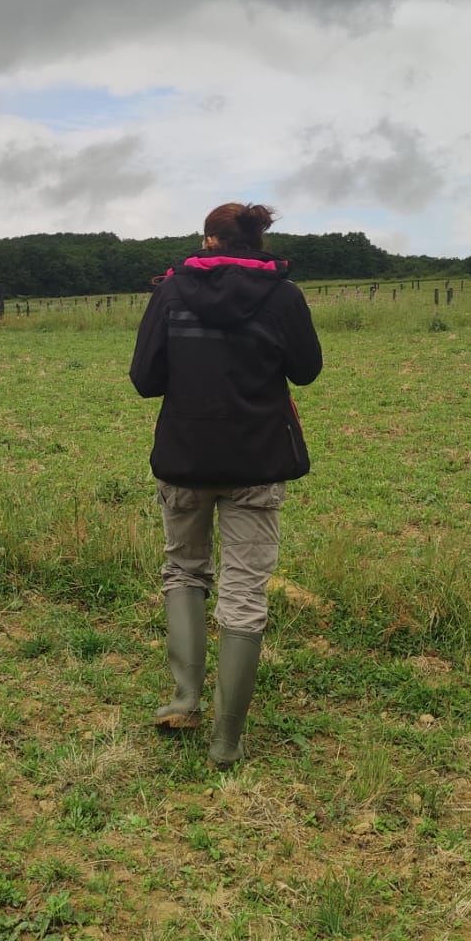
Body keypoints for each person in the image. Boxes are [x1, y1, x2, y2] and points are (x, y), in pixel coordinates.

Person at [128, 202, 323, 766]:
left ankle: (184, 697)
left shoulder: (170, 292)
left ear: (209, 240)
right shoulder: (283, 295)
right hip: (258, 462)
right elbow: (306, 371)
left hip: (185, 459)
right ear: (257, 241)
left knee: (183, 570)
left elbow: (145, 380)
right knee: (245, 593)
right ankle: (226, 742)